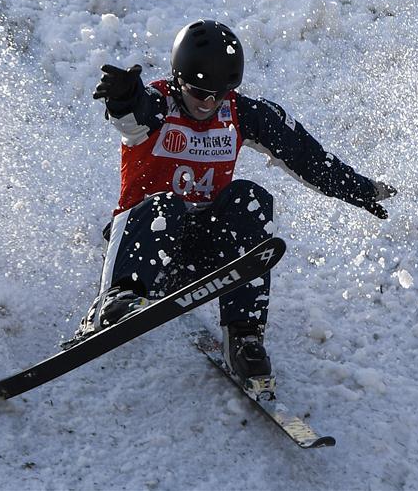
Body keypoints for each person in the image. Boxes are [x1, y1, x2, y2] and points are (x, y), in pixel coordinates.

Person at [72, 19, 396, 392]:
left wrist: (356, 188)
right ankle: (113, 300)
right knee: (167, 208)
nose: (208, 104)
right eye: (198, 93)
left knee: (251, 199)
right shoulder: (158, 106)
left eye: (218, 95)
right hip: (146, 251)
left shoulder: (240, 113)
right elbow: (133, 114)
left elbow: (306, 156)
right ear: (178, 80)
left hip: (201, 253)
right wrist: (124, 98)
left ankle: (244, 337)